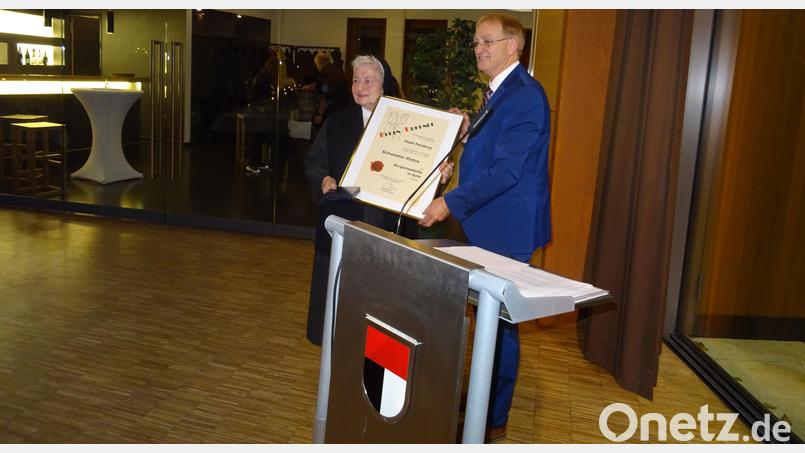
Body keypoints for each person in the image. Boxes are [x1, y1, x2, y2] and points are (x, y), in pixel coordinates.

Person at [419, 13, 552, 442]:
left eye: (486, 41)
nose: (478, 48)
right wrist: (460, 137)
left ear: (513, 46)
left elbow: (507, 172)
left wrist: (447, 203)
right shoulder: (497, 93)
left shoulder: (526, 96)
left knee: (502, 327)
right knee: (486, 320)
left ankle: (493, 417)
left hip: (506, 230)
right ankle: (479, 394)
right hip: (484, 224)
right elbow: (488, 150)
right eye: (476, 41)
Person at [304, 55, 402, 346]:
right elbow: (314, 162)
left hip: (382, 223)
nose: (360, 86)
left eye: (369, 80)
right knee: (337, 295)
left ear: (383, 86)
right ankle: (337, 342)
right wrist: (323, 179)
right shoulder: (337, 121)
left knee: (379, 296)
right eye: (356, 80)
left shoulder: (401, 123)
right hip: (342, 222)